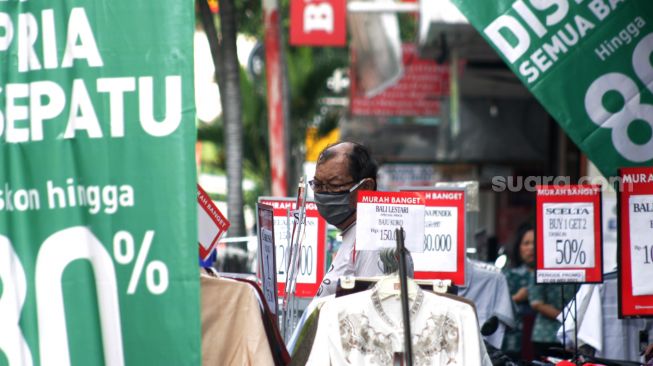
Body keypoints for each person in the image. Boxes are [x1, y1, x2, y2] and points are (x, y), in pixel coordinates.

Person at [311, 141, 383, 297]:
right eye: (318, 185)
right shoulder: (355, 234)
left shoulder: (373, 240)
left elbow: (371, 309)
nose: (324, 193)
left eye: (334, 185)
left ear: (366, 188)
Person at [501, 222, 536, 360]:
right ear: (519, 247)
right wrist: (517, 298)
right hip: (515, 341)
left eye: (535, 243)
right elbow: (500, 309)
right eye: (526, 243)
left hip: (544, 340)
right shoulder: (508, 275)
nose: (531, 248)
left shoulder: (551, 278)